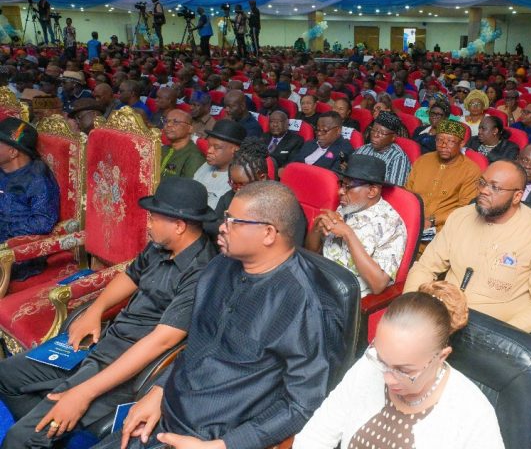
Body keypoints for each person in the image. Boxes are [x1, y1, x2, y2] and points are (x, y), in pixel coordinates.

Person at [97, 181, 347, 449]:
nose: (222, 227)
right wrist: (159, 390)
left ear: (268, 233)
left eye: (233, 221)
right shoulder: (218, 268)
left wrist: (224, 445)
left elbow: (301, 404)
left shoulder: (306, 305)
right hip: (164, 415)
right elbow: (196, 346)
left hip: (212, 439)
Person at [0, 177, 217, 449]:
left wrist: (83, 393)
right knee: (6, 374)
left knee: (17, 440)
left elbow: (162, 341)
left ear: (179, 225)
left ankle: (39, 431)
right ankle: (47, 432)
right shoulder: (162, 245)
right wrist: (95, 310)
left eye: (153, 218)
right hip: (104, 340)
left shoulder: (202, 272)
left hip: (125, 366)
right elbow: (130, 276)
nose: (148, 224)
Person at [294, 281, 504, 449]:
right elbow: (316, 435)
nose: (388, 378)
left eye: (404, 370)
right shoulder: (368, 367)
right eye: (382, 360)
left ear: (441, 357)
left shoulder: (472, 412)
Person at [405, 159, 531, 333]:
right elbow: (425, 267)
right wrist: (411, 306)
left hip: (495, 332)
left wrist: (504, 336)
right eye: (482, 182)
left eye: (495, 187)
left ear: (517, 196)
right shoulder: (460, 217)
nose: (483, 191)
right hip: (443, 320)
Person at [306, 155, 407, 297]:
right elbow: (311, 252)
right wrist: (317, 227)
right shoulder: (348, 206)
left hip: (346, 297)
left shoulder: (391, 224)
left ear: (372, 191)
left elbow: (378, 285)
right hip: (318, 280)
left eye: (348, 187)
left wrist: (348, 234)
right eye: (341, 184)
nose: (340, 191)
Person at [406, 120, 481, 235]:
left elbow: (465, 208)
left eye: (450, 141)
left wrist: (432, 221)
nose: (443, 145)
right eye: (439, 140)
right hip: (411, 220)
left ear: (461, 144)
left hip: (444, 228)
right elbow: (408, 192)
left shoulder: (470, 170)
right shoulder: (423, 161)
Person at [0, 118, 59, 245]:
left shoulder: (37, 179)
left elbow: (43, 223)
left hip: (14, 247)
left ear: (13, 152)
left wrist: (6, 229)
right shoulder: (3, 169)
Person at [193, 119, 245, 209]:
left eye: (217, 147)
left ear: (235, 150)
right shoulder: (206, 165)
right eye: (209, 145)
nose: (209, 150)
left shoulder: (238, 179)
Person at [354, 112, 411, 186]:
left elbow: (393, 190)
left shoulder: (398, 158)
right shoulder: (363, 149)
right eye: (373, 130)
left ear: (393, 137)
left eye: (382, 133)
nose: (375, 135)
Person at [160, 109, 206, 178]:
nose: (168, 125)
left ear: (190, 129)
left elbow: (188, 184)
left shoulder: (194, 157)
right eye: (166, 121)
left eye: (175, 122)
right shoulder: (163, 149)